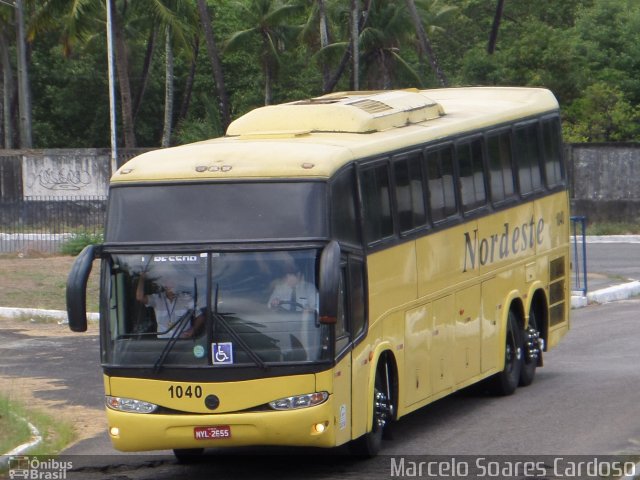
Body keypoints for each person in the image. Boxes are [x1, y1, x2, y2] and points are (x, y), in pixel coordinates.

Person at [136, 272, 203, 338]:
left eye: (174, 282)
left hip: (182, 343)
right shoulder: (157, 299)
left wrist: (192, 330)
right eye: (169, 282)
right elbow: (139, 297)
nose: (172, 284)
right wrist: (142, 278)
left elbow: (200, 316)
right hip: (162, 345)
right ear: (164, 285)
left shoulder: (187, 299)